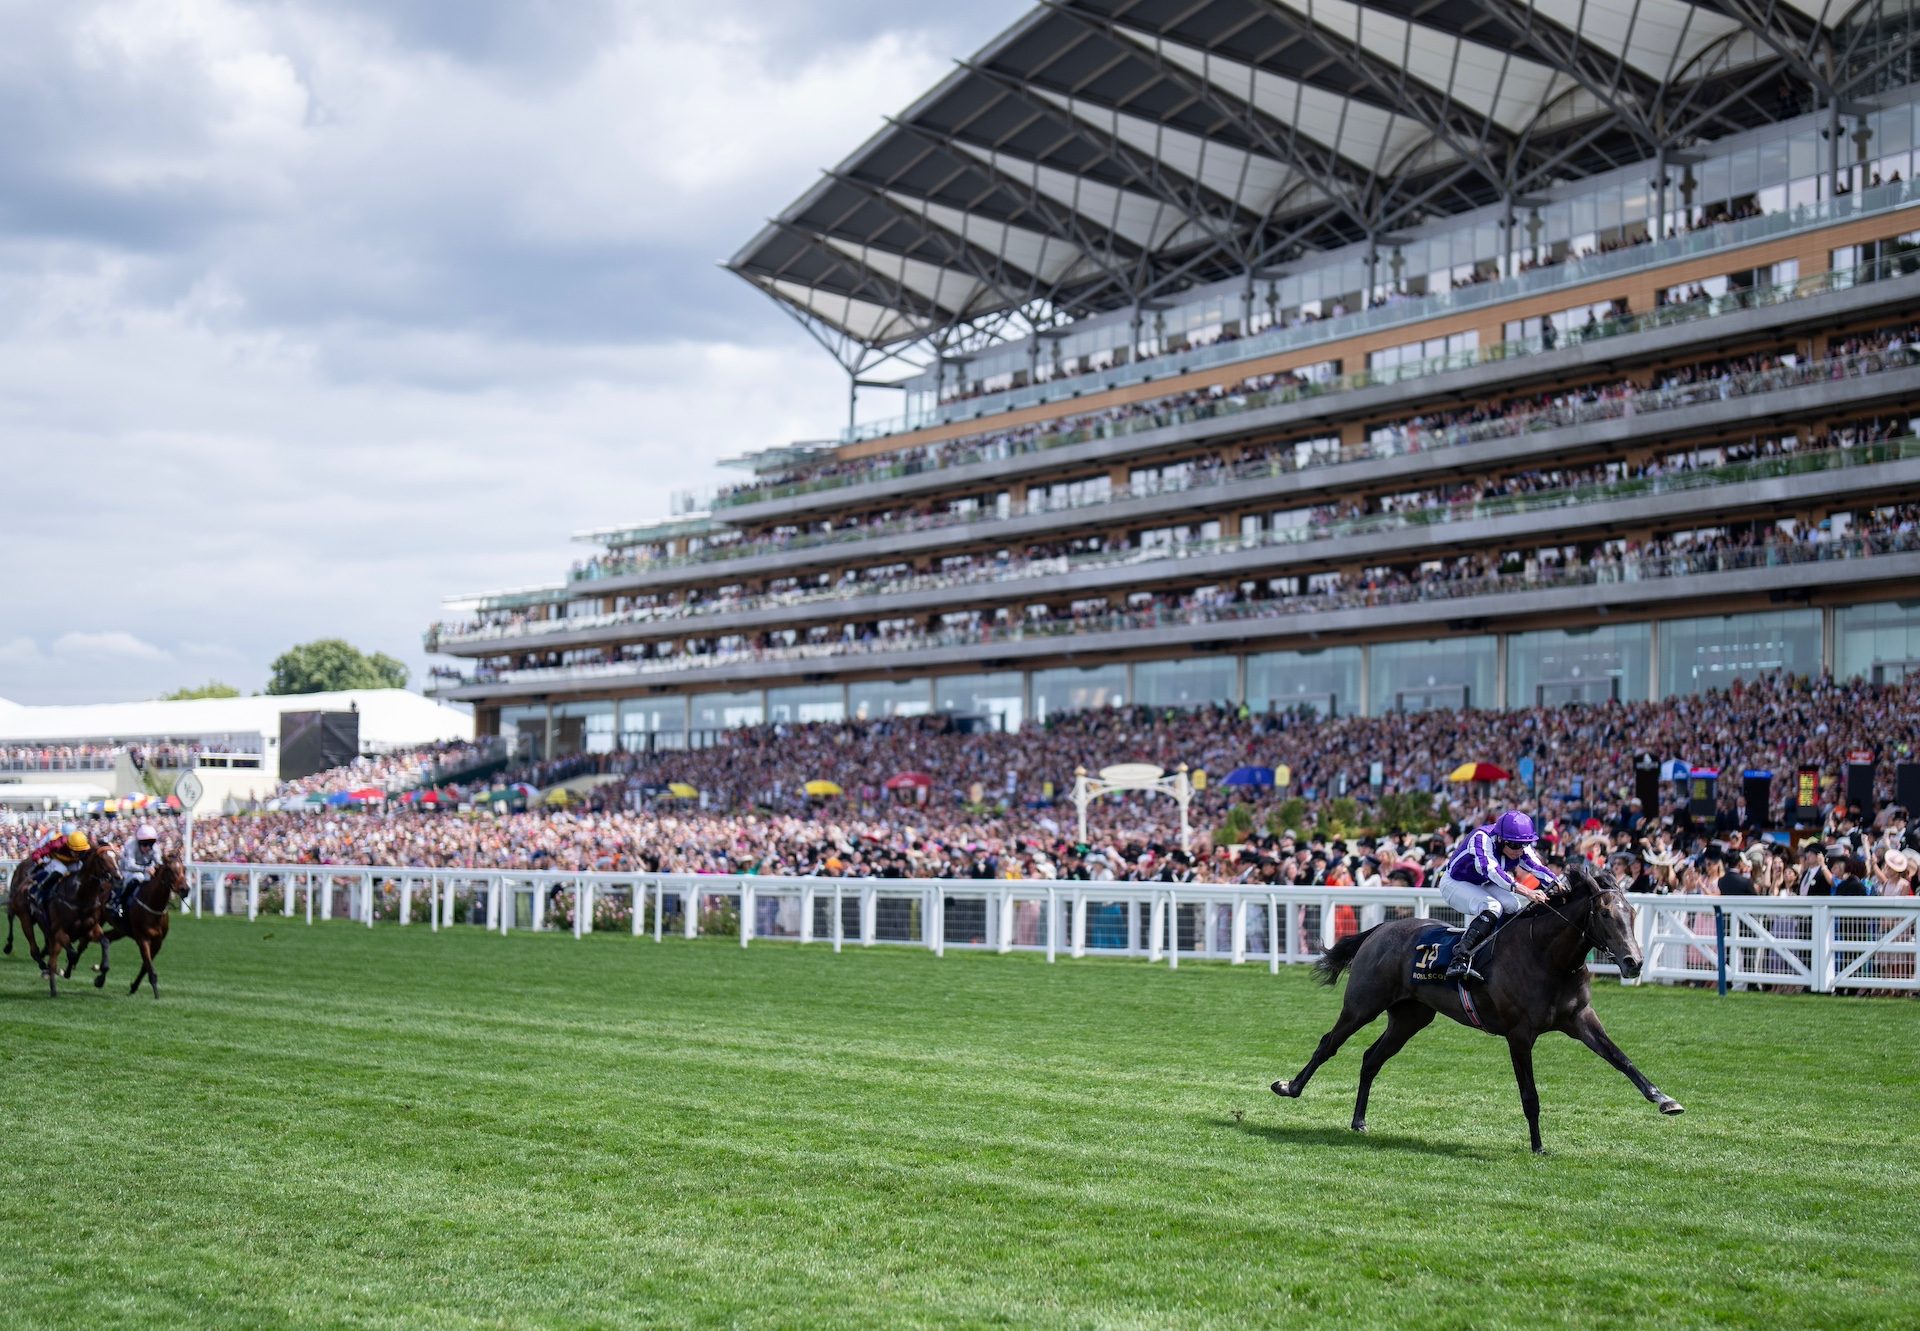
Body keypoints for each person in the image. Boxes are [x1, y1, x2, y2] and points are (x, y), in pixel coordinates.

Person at [1439, 811, 1561, 981]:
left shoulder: (1519, 847)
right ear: (1502, 839)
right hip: (1454, 882)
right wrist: (1527, 891)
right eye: (1515, 845)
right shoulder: (1481, 838)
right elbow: (1491, 871)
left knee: (1513, 906)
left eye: (1524, 845)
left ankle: (1502, 952)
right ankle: (1460, 958)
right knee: (1492, 906)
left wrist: (1561, 886)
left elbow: (1538, 868)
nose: (1519, 851)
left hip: (1483, 882)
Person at [26, 828, 91, 919]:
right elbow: (37, 853)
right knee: (62, 869)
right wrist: (39, 860)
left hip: (71, 862)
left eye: (81, 852)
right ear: (68, 846)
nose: (78, 854)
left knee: (80, 871)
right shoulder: (57, 844)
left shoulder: (83, 845)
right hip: (56, 860)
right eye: (76, 851)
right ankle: (39, 892)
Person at [112, 823, 164, 921]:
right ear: (138, 842)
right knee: (137, 877)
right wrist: (146, 869)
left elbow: (159, 863)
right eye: (145, 844)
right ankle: (119, 903)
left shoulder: (155, 848)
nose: (148, 847)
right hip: (126, 871)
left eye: (151, 844)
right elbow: (129, 865)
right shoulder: (130, 845)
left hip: (144, 871)